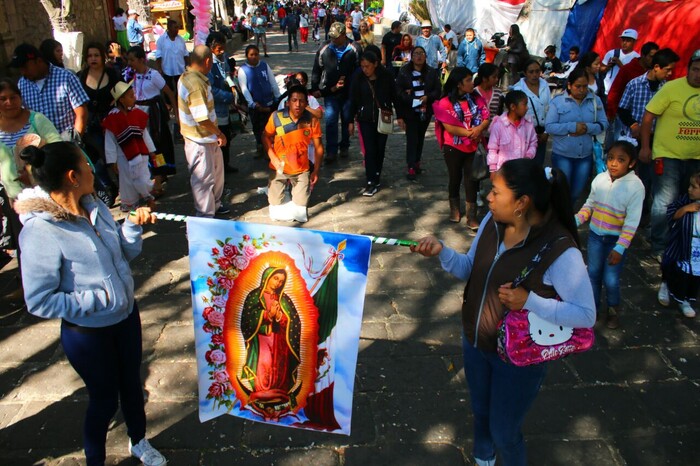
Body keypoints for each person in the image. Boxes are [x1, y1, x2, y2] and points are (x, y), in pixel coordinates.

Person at [411, 158, 595, 466]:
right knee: (480, 411)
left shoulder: (561, 250)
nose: (487, 198)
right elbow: (470, 268)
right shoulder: (491, 223)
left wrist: (530, 302)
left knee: (504, 430)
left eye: (496, 191)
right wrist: (442, 251)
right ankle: (484, 457)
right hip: (474, 341)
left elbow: (586, 315)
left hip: (517, 359)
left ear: (522, 202)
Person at [15, 142, 166, 466]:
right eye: (87, 163)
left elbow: (125, 255)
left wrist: (132, 228)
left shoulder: (94, 206)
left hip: (126, 318)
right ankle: (95, 459)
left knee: (132, 387)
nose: (92, 167)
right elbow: (39, 300)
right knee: (104, 400)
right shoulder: (41, 231)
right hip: (89, 335)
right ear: (72, 176)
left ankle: (139, 441)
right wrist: (99, 299)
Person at [575, 140, 644, 328]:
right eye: (611, 158)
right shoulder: (600, 179)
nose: (613, 163)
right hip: (596, 237)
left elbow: (631, 223)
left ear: (631, 163)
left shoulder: (636, 187)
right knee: (593, 275)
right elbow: (589, 205)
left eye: (620, 160)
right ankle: (593, 309)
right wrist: (576, 220)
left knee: (611, 279)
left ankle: (613, 310)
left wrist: (620, 248)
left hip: (615, 241)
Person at [640, 49, 700, 263]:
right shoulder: (672, 88)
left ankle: (683, 242)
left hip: (696, 159)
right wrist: (645, 147)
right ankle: (659, 245)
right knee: (664, 201)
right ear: (688, 69)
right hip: (668, 155)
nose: (698, 75)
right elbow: (648, 118)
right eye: (695, 69)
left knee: (690, 202)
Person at [617, 48, 679, 220]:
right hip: (633, 139)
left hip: (655, 140)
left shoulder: (667, 88)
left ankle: (642, 215)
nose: (670, 73)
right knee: (629, 178)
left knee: (648, 180)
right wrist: (634, 125)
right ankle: (623, 212)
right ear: (657, 67)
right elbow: (622, 109)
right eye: (668, 69)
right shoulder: (635, 84)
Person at [432, 67, 490, 227]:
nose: (472, 83)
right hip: (453, 147)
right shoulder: (444, 103)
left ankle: (472, 216)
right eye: (468, 80)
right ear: (459, 84)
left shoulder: (476, 98)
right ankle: (455, 209)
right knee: (455, 178)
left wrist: (479, 129)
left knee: (472, 180)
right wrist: (470, 133)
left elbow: (486, 117)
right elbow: (449, 127)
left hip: (473, 147)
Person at [239, 267, 302, 415]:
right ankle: (261, 392)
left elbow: (294, 321)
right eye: (275, 278)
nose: (278, 283)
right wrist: (267, 315)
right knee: (264, 363)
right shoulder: (255, 296)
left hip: (280, 339)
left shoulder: (284, 299)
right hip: (262, 339)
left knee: (279, 364)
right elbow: (247, 320)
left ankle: (280, 392)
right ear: (267, 277)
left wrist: (280, 317)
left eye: (281, 281)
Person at [177, 45, 229, 218]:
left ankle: (215, 205)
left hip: (207, 137)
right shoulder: (195, 84)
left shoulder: (190, 77)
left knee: (216, 174)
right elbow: (202, 118)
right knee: (204, 180)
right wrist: (219, 133)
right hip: (199, 139)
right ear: (207, 61)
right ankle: (205, 215)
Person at [545, 68, 608, 203]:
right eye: (578, 86)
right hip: (562, 154)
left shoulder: (595, 100)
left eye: (585, 86)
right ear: (569, 85)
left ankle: (568, 216)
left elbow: (604, 123)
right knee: (562, 191)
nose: (581, 90)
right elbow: (550, 126)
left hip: (585, 156)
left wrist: (587, 128)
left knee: (576, 192)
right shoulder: (558, 102)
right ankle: (558, 219)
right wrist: (572, 127)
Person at [263, 85, 324, 223]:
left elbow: (319, 147)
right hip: (279, 167)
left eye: (301, 101)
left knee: (301, 210)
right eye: (294, 100)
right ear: (288, 102)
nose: (298, 104)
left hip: (301, 169)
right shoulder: (276, 117)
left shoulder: (312, 120)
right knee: (275, 205)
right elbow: (265, 136)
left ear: (307, 103)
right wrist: (273, 158)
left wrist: (316, 170)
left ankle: (296, 191)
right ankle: (278, 190)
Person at [11, 43, 89, 140]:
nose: (23, 72)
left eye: (25, 67)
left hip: (67, 144)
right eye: (20, 69)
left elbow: (81, 112)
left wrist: (75, 143)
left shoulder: (66, 77)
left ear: (39, 61)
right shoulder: (22, 84)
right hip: (40, 148)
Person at [127, 46, 177, 195]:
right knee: (144, 146)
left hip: (154, 115)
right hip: (139, 112)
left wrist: (176, 113)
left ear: (142, 60)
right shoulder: (133, 76)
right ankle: (153, 174)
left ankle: (159, 176)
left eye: (132, 60)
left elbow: (169, 92)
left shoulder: (153, 75)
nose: (130, 63)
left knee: (157, 146)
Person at [102, 82, 156, 212]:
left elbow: (144, 134)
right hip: (122, 157)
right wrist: (112, 161)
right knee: (127, 183)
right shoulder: (113, 118)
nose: (134, 98)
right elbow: (109, 142)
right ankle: (132, 208)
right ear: (121, 99)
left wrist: (152, 151)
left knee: (143, 178)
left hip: (141, 154)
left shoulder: (136, 113)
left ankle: (148, 197)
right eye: (131, 96)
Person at [310, 22, 360, 163]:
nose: (333, 40)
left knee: (346, 119)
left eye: (336, 37)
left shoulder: (354, 48)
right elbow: (317, 69)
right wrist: (315, 87)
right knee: (331, 120)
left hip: (348, 92)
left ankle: (344, 145)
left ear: (344, 35)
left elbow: (359, 70)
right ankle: (331, 150)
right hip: (330, 91)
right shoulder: (324, 48)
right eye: (331, 37)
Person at [348, 51, 396, 197]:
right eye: (362, 66)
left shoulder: (386, 76)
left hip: (383, 118)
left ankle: (376, 174)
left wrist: (401, 116)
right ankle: (370, 181)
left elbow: (394, 95)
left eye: (367, 66)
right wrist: (350, 120)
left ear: (375, 64)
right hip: (365, 118)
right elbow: (353, 99)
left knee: (380, 149)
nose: (365, 69)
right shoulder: (358, 77)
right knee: (369, 150)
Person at [79, 42, 122, 202]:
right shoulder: (80, 76)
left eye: (96, 55)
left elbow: (123, 94)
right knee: (96, 159)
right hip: (91, 125)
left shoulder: (112, 74)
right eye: (90, 56)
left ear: (102, 57)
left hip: (112, 122)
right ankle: (108, 188)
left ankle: (125, 186)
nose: (93, 59)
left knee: (116, 156)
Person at [395, 46, 441, 181]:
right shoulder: (404, 72)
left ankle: (417, 162)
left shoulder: (431, 72)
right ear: (411, 56)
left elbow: (438, 90)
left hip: (425, 111)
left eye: (421, 54)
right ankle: (410, 165)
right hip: (410, 111)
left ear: (425, 56)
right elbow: (398, 92)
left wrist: (428, 97)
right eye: (416, 54)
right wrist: (410, 99)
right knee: (412, 138)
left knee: (420, 137)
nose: (419, 56)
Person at [658, 172, 700, 318]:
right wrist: (686, 209)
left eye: (694, 187)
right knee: (673, 268)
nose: (689, 189)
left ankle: (686, 300)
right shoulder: (684, 201)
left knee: (692, 275)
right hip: (680, 245)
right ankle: (666, 285)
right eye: (690, 185)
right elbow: (672, 213)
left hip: (697, 249)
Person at [238, 44, 281, 157]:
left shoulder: (264, 66)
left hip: (269, 103)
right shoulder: (243, 70)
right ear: (247, 56)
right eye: (251, 55)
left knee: (271, 126)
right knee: (258, 127)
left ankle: (271, 147)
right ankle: (260, 146)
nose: (254, 57)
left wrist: (278, 97)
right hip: (256, 105)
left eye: (256, 54)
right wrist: (251, 103)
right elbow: (244, 89)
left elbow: (272, 82)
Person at [206, 32, 239, 174]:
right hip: (215, 108)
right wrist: (228, 96)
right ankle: (219, 170)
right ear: (211, 48)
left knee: (227, 138)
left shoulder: (223, 58)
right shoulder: (208, 64)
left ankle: (225, 164)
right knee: (218, 140)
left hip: (225, 106)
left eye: (223, 48)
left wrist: (232, 87)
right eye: (219, 49)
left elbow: (226, 75)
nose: (222, 51)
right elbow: (211, 89)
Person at [606, 41, 659, 121]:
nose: (654, 60)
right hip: (623, 116)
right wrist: (611, 113)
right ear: (643, 55)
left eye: (656, 57)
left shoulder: (656, 72)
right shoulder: (627, 70)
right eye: (651, 56)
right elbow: (615, 92)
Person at [512, 59, 551, 166]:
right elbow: (514, 115)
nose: (535, 75)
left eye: (537, 71)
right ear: (525, 73)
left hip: (542, 135)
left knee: (537, 166)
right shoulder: (518, 89)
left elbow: (549, 109)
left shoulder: (545, 85)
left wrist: (546, 132)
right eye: (531, 72)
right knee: (523, 166)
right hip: (524, 135)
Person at [487, 90, 537, 173]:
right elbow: (492, 149)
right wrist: (493, 169)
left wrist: (528, 156)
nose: (527, 107)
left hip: (522, 169)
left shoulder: (528, 124)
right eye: (524, 104)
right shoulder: (499, 125)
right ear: (513, 107)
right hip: (503, 171)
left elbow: (533, 142)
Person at [155, 19, 190, 110]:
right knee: (168, 88)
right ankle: (169, 104)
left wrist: (188, 65)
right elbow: (158, 55)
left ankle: (180, 103)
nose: (177, 29)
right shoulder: (161, 40)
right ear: (169, 28)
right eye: (175, 27)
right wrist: (159, 68)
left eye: (177, 27)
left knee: (181, 87)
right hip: (167, 69)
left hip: (180, 69)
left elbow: (185, 53)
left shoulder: (181, 40)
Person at [600, 29, 640, 96]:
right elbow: (600, 69)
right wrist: (607, 67)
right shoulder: (611, 53)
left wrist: (620, 64)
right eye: (623, 40)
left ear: (634, 42)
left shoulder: (637, 57)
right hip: (607, 91)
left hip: (624, 93)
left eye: (628, 41)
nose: (624, 43)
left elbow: (634, 77)